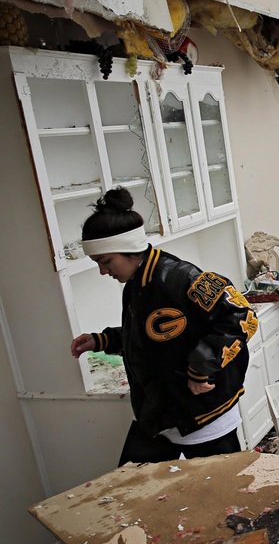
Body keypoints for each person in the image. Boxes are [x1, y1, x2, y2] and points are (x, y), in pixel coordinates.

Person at [70, 188, 257, 466]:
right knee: (133, 489)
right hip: (160, 411)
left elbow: (243, 317)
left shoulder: (182, 278)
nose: (103, 271)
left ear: (130, 249)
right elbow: (154, 338)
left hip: (202, 416)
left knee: (225, 495)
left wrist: (199, 368)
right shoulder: (136, 285)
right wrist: (103, 341)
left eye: (105, 261)